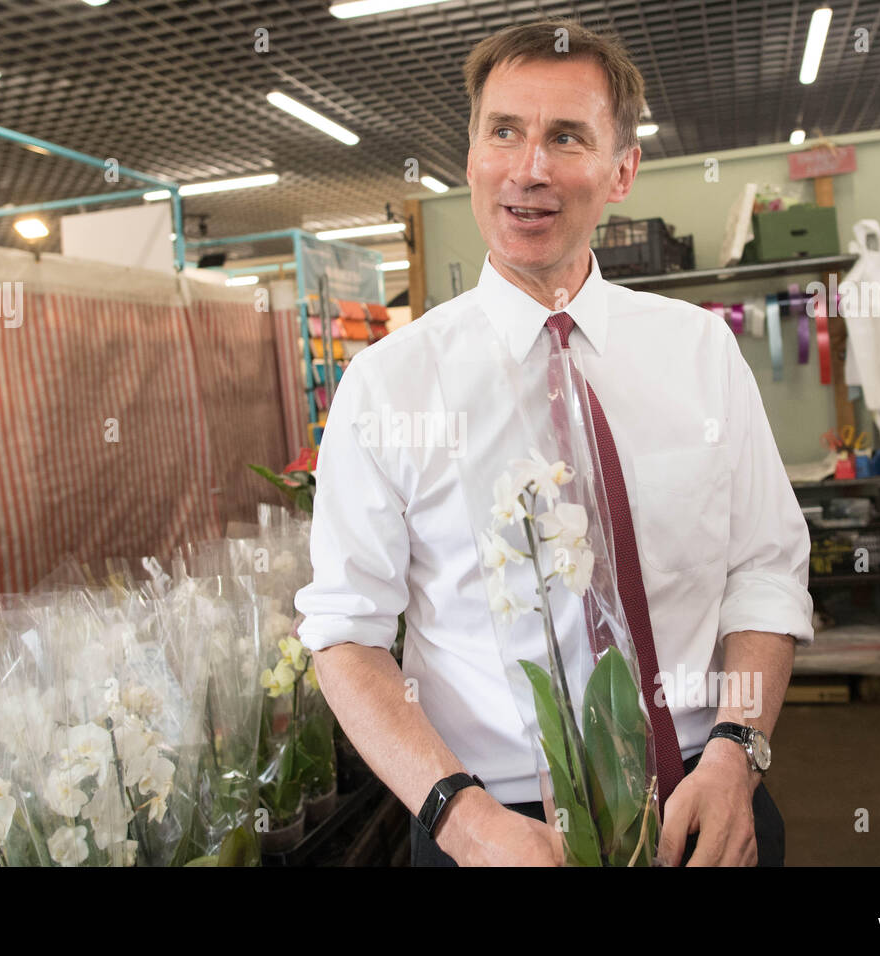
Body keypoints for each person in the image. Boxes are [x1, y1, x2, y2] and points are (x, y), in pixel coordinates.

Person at [295, 18, 811, 867]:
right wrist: (461, 820)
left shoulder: (701, 352)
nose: (528, 169)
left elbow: (765, 572)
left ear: (623, 170)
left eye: (566, 137)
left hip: (700, 794)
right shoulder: (389, 385)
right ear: (470, 157)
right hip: (489, 820)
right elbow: (346, 632)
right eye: (505, 131)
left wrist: (736, 753)